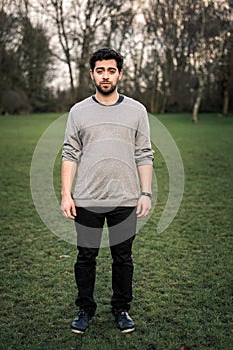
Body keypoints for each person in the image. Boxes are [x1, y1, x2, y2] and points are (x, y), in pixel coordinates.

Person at [61, 48, 154, 334]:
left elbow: (144, 153)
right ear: (92, 74)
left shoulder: (137, 110)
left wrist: (146, 193)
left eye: (111, 70)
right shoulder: (78, 111)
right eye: (100, 70)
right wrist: (66, 194)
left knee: (123, 259)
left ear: (120, 74)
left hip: (125, 200)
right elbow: (70, 152)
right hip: (87, 199)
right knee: (86, 257)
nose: (105, 75)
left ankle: (121, 309)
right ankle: (85, 309)